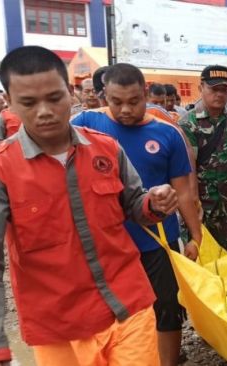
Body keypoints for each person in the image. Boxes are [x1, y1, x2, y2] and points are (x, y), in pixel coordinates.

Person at [0, 46, 178, 366]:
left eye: (54, 98)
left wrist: (155, 203)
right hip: (58, 326)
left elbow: (134, 205)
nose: (44, 111)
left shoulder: (106, 149)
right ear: (9, 104)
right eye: (28, 102)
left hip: (127, 305)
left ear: (70, 92)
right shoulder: (0, 170)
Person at [71, 63, 202, 366]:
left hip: (159, 242)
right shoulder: (85, 125)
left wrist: (195, 236)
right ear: (104, 96)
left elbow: (184, 191)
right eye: (116, 102)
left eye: (133, 101)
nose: (125, 110)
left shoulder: (167, 132)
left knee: (167, 308)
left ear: (145, 93)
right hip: (107, 244)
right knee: (111, 312)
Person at [179, 65, 227, 252]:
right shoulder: (187, 124)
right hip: (197, 207)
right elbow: (186, 169)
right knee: (198, 255)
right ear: (201, 88)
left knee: (224, 254)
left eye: (224, 90)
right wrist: (194, 202)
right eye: (214, 89)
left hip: (225, 204)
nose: (220, 95)